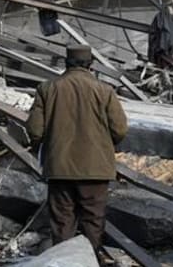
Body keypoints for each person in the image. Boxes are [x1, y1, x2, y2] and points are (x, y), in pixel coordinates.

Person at [27, 45, 128, 254]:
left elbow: (35, 130)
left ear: (67, 63)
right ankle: (90, 264)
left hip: (59, 167)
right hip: (95, 168)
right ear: (90, 65)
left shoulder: (47, 89)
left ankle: (65, 264)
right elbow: (120, 129)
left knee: (62, 220)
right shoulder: (105, 90)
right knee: (93, 219)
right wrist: (104, 146)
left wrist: (40, 146)